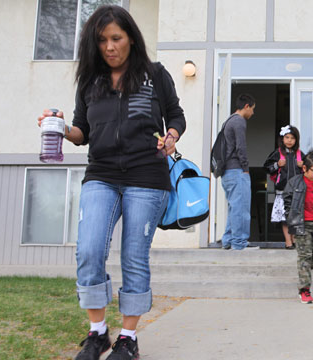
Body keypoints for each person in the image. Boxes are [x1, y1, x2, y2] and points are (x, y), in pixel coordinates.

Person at [37, 5, 185, 360]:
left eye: (116, 38)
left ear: (131, 38)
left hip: (146, 175)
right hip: (101, 175)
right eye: (102, 40)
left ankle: (128, 339)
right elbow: (81, 132)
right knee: (88, 250)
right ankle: (98, 333)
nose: (109, 46)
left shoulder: (155, 74)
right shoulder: (91, 80)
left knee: (134, 256)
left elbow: (176, 114)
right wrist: (58, 124)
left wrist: (172, 135)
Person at [282, 148, 313, 304]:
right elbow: (287, 199)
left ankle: (304, 270)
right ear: (304, 168)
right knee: (304, 256)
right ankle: (304, 290)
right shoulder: (295, 182)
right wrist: (291, 216)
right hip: (302, 225)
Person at [220, 93, 258, 250]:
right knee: (241, 208)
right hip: (236, 170)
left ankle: (228, 240)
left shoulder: (228, 121)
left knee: (233, 207)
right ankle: (239, 243)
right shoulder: (239, 121)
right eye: (253, 109)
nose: (253, 113)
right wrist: (245, 169)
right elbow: (241, 148)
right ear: (247, 106)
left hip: (226, 172)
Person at [263, 125, 305, 249]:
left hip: (297, 191)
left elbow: (309, 170)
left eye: (292, 138)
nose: (289, 140)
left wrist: (303, 165)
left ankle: (295, 240)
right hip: (283, 190)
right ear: (282, 139)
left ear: (296, 140)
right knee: (285, 218)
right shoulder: (278, 153)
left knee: (295, 217)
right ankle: (288, 241)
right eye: (287, 137)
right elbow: (266, 167)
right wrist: (277, 164)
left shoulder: (300, 154)